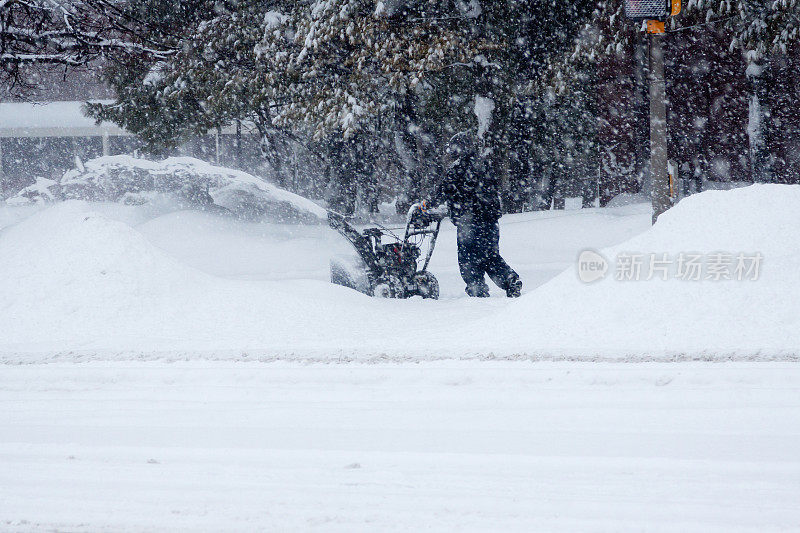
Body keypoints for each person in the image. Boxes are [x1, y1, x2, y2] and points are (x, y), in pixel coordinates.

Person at [429, 131, 522, 298]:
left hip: (469, 223)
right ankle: (510, 280)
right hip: (491, 222)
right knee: (489, 256)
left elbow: (442, 191)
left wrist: (427, 206)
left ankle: (476, 287)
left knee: (467, 259)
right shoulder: (484, 164)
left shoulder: (457, 168)